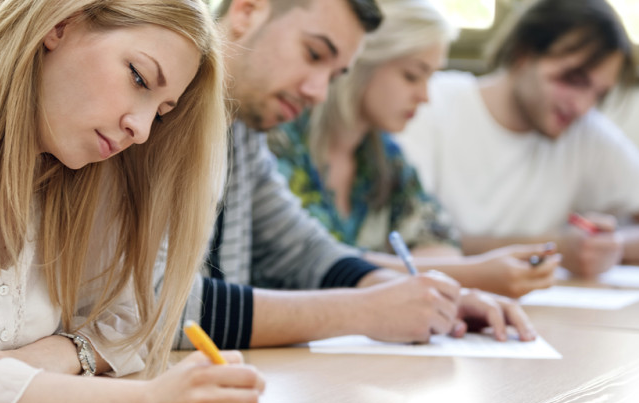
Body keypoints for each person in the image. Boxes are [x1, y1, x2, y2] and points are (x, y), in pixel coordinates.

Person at [0, 0, 265, 403]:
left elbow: (130, 317)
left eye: (160, 113)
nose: (140, 130)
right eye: (138, 78)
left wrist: (62, 353)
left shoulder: (84, 173)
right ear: (61, 23)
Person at [174, 0, 539, 353]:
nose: (317, 92)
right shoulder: (162, 109)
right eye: (314, 54)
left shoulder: (243, 128)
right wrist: (363, 311)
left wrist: (427, 300)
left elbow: (302, 250)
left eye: (333, 75)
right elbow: (148, 310)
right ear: (247, 10)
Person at [269, 0, 561, 299]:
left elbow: (434, 235)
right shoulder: (278, 138)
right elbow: (310, 260)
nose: (424, 97)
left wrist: (455, 274)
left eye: (430, 77)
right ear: (361, 61)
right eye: (411, 75)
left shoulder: (383, 156)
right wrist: (473, 275)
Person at [397, 0, 639, 277]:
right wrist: (552, 247)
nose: (582, 105)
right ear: (523, 54)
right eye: (573, 79)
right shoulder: (428, 104)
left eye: (599, 94)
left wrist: (609, 247)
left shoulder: (585, 131)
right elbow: (399, 241)